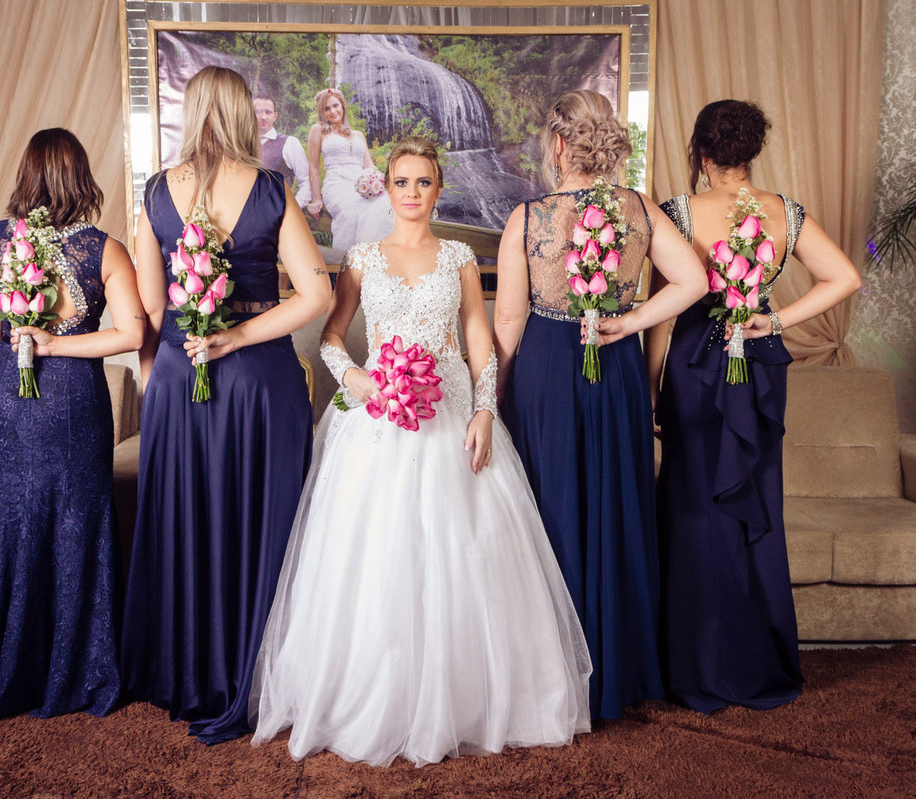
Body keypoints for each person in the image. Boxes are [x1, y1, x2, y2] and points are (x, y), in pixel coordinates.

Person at [250, 136, 591, 767]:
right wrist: (357, 380)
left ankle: (465, 698)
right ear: (388, 187)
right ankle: (373, 694)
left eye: (423, 182)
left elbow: (478, 337)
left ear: (439, 189)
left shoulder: (460, 256)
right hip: (376, 418)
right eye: (401, 182)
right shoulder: (361, 258)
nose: (412, 193)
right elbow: (330, 338)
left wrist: (486, 408)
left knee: (461, 547)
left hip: (451, 409)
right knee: (376, 552)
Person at [119, 66, 332, 745]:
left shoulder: (156, 192)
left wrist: (160, 384)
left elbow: (152, 313)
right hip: (258, 380)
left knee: (189, 518)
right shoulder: (272, 189)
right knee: (261, 519)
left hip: (183, 379)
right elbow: (315, 295)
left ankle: (187, 669)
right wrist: (240, 332)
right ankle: (258, 670)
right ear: (244, 114)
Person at [493, 90, 707, 721]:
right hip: (615, 366)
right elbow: (694, 282)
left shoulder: (527, 217)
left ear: (557, 144)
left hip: (546, 372)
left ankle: (552, 676)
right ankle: (619, 672)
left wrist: (490, 399)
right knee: (616, 505)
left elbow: (508, 322)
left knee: (549, 507)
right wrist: (634, 317)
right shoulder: (639, 209)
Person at [648, 99, 861, 713]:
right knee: (754, 503)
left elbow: (665, 314)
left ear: (703, 154)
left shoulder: (681, 213)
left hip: (694, 366)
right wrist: (775, 321)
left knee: (690, 505)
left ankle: (692, 665)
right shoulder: (783, 213)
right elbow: (844, 277)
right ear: (750, 152)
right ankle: (756, 662)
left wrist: (651, 387)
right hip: (760, 369)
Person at [0, 128, 145, 723]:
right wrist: (58, 348)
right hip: (75, 400)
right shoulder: (103, 249)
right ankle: (75, 674)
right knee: (76, 526)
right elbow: (134, 336)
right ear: (80, 176)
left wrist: (10, 388)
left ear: (26, 175)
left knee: (9, 530)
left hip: (7, 396)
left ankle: (4, 673)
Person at [305, 87, 395, 253]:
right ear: (322, 112)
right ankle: (348, 263)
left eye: (335, 106)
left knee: (383, 206)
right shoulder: (319, 131)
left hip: (361, 184)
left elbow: (369, 167)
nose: (332, 111)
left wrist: (384, 183)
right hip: (337, 184)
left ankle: (374, 258)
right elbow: (313, 167)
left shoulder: (358, 135)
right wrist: (316, 198)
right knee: (351, 212)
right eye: (327, 108)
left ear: (343, 106)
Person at [253, 92, 312, 208]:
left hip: (276, 215)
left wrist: (290, 210)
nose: (263, 117)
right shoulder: (241, 144)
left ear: (275, 116)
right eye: (258, 112)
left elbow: (306, 183)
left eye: (268, 112)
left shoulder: (290, 143)